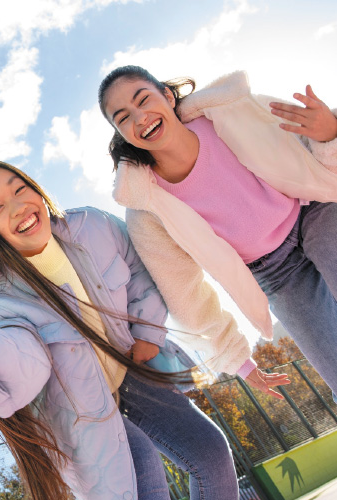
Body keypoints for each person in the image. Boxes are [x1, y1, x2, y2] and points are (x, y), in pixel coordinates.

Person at [0, 160, 271, 499]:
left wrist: (147, 336)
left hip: (130, 369)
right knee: (142, 473)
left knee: (211, 453)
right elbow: (22, 363)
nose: (19, 206)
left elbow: (141, 270)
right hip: (83, 412)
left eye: (20, 189)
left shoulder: (92, 226)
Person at [97, 65, 337, 396]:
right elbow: (184, 293)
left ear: (167, 96)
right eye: (123, 118)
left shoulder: (229, 112)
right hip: (276, 272)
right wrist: (237, 360)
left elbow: (307, 144)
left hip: (315, 213)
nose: (139, 118)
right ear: (120, 132)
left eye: (143, 100)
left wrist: (330, 134)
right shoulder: (148, 206)